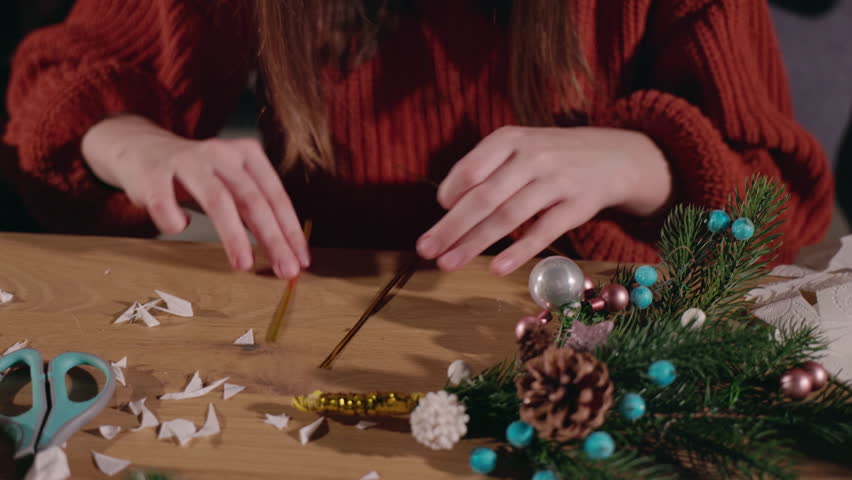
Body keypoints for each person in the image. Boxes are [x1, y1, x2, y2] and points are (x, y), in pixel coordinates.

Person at [2, 0, 833, 279]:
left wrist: (642, 163)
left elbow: (784, 207)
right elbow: (57, 96)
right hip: (330, 323)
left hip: (605, 352)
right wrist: (135, 144)